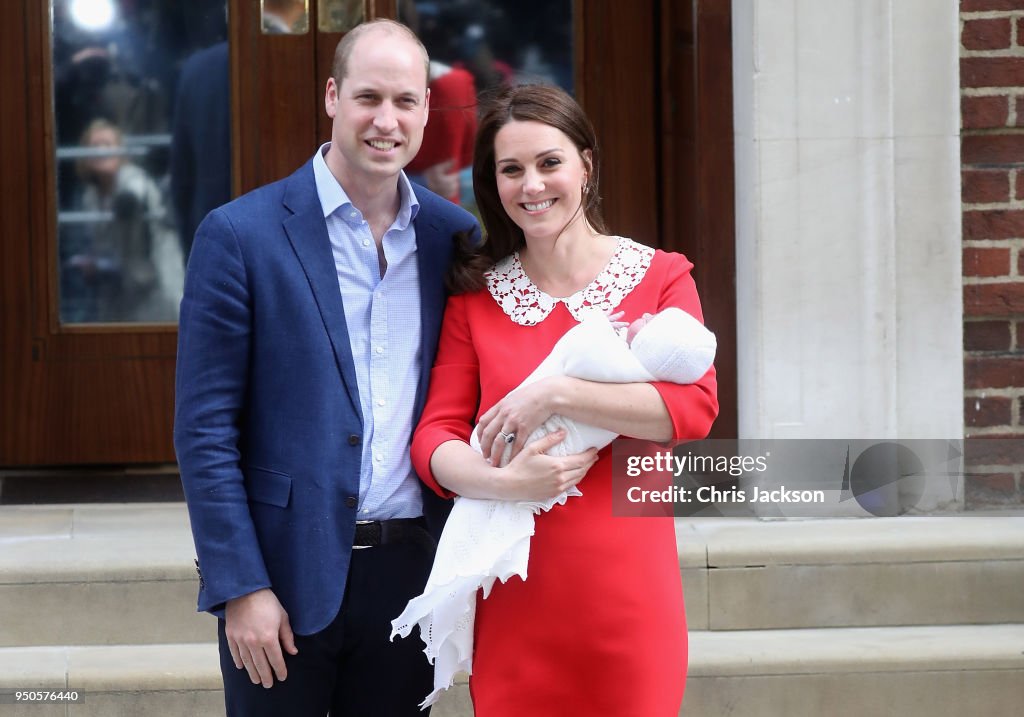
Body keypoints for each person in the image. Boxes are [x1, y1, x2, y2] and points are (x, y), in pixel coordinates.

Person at [174, 19, 479, 716]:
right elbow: (204, 429)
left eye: (406, 101)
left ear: (427, 111)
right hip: (279, 579)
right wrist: (239, 585)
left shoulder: (452, 238)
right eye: (369, 97)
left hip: (410, 573)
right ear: (332, 96)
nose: (386, 120)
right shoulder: (239, 236)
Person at [408, 83, 719, 715]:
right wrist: (506, 482)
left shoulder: (661, 277)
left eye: (549, 162)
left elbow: (692, 410)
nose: (532, 185)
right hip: (516, 597)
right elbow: (433, 437)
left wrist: (555, 392)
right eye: (511, 169)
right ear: (492, 184)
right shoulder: (475, 297)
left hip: (629, 592)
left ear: (586, 165)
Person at [68, 118, 183, 322]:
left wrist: (126, 202)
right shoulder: (89, 196)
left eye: (107, 145)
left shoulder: (133, 178)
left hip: (153, 286)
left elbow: (133, 194)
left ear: (120, 151)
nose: (101, 151)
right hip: (116, 291)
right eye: (94, 146)